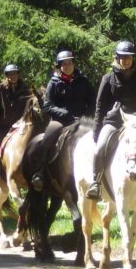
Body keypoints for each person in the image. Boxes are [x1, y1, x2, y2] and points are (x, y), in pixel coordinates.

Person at [86, 39, 136, 201]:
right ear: (117, 58)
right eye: (122, 57)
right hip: (113, 122)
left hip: (135, 124)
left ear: (133, 59)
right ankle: (95, 182)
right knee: (100, 148)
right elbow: (99, 107)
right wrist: (96, 131)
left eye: (128, 58)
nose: (125, 61)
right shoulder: (107, 79)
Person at [30, 50, 96, 191]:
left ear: (74, 64)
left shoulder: (84, 81)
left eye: (69, 63)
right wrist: (65, 114)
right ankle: (40, 172)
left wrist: (85, 116)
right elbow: (48, 105)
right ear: (59, 66)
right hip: (61, 121)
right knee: (48, 136)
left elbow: (93, 102)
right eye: (64, 64)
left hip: (82, 121)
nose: (67, 66)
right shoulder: (54, 83)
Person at [0, 64, 32, 190]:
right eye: (10, 74)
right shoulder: (1, 89)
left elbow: (30, 109)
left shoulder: (26, 90)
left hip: (21, 127)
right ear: (7, 76)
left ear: (18, 74)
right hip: (3, 128)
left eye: (15, 73)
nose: (13, 76)